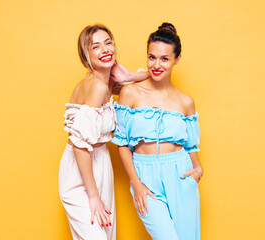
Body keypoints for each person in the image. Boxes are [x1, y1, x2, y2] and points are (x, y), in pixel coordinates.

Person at [112, 22, 203, 240]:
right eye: (152, 57)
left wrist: (198, 169)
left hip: (180, 174)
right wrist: (136, 183)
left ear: (176, 59)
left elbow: (191, 145)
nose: (156, 64)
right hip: (145, 175)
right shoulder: (130, 94)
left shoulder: (186, 102)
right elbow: (122, 143)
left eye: (164, 59)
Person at [58, 24, 148, 240]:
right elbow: (80, 146)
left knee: (106, 235)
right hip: (81, 168)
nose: (105, 49)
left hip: (101, 163)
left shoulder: (107, 83)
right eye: (96, 46)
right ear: (86, 55)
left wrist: (127, 75)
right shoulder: (96, 87)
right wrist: (93, 196)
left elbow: (152, 79)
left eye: (108, 43)